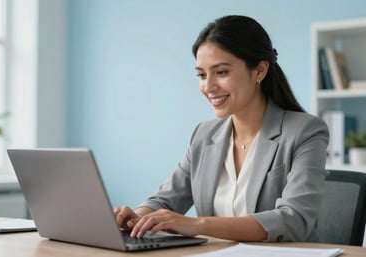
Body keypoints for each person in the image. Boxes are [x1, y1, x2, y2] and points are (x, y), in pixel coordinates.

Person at [114, 15, 329, 242]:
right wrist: (136, 218)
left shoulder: (305, 131)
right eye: (201, 74)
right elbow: (165, 201)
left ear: (259, 71)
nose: (208, 87)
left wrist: (196, 224)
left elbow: (293, 220)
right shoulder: (204, 135)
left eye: (221, 72)